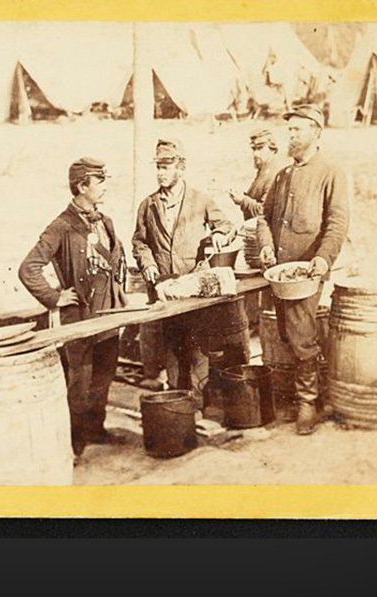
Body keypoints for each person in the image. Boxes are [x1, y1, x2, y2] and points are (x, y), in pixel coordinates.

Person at [18, 157, 131, 460]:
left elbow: (115, 261)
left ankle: (96, 430)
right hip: (79, 318)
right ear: (82, 186)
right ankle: (73, 444)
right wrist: (55, 298)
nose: (106, 187)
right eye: (100, 181)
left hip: (108, 314)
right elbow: (28, 268)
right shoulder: (61, 226)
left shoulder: (105, 220)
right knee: (80, 383)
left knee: (104, 376)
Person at [257, 105, 350, 434]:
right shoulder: (281, 175)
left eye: (298, 130)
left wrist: (323, 259)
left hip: (307, 274)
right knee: (284, 332)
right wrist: (266, 246)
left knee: (301, 336)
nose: (291, 135)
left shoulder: (331, 173)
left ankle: (308, 402)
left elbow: (337, 224)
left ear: (316, 132)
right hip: (281, 274)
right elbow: (264, 219)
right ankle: (308, 395)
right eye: (290, 130)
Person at [131, 139, 238, 408]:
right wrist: (148, 264)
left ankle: (200, 405)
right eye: (158, 167)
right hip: (164, 289)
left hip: (193, 286)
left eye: (166, 166)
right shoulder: (148, 205)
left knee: (198, 348)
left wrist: (218, 236)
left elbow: (226, 225)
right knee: (172, 349)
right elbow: (139, 241)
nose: (160, 172)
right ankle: (180, 406)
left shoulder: (200, 200)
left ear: (182, 167)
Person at [229, 127, 288, 221]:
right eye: (254, 149)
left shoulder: (275, 173)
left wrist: (243, 200)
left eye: (260, 148)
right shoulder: (264, 169)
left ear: (273, 150)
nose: (255, 154)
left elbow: (266, 212)